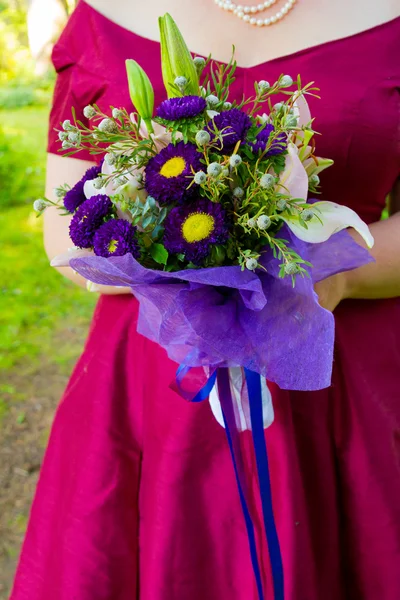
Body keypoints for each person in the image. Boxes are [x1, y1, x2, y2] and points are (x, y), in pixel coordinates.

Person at [11, 1, 400, 598]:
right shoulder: (105, 15)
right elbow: (64, 225)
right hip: (155, 377)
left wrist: (337, 275)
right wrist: (188, 273)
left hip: (342, 371)